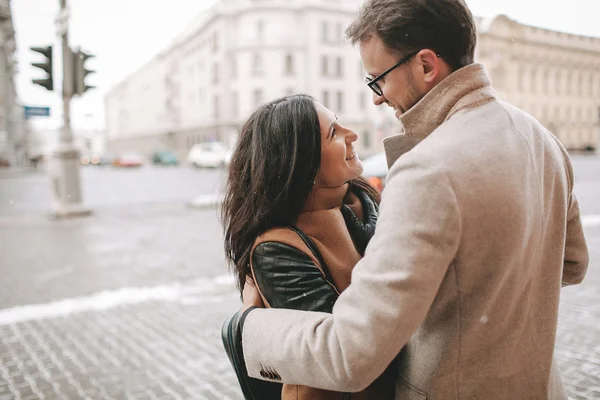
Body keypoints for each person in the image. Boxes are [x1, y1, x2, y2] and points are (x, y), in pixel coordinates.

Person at [237, 0, 590, 399]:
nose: (377, 98)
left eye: (379, 79)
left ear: (425, 65)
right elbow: (572, 264)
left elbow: (351, 355)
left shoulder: (426, 169)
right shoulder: (542, 138)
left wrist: (245, 328)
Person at [221, 94, 396, 399]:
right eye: (333, 133)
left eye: (339, 124)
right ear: (302, 162)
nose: (352, 134)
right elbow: (345, 353)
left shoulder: (373, 204)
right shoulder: (277, 246)